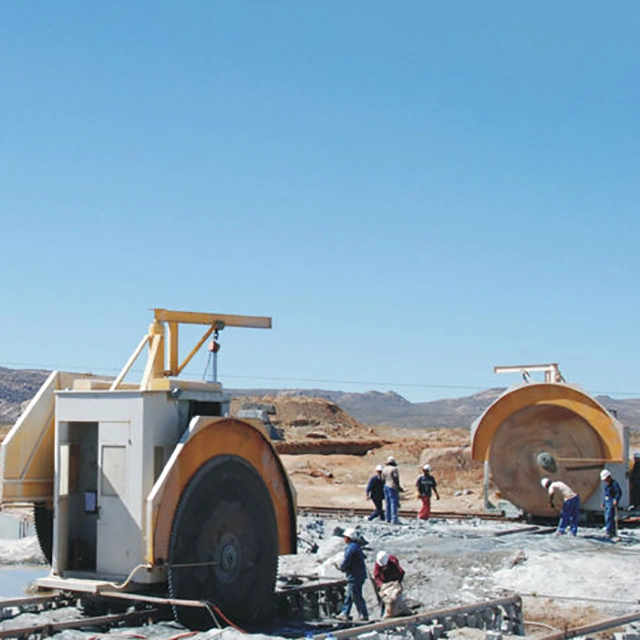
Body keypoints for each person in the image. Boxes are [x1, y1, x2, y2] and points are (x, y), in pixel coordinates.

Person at [336, 528, 369, 621]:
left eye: (345, 537)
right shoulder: (356, 546)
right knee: (350, 595)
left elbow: (347, 561)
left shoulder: (351, 548)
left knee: (356, 595)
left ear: (349, 538)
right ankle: (345, 613)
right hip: (357, 575)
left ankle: (363, 614)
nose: (344, 539)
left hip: (355, 576)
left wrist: (341, 567)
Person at [373, 551, 411, 618]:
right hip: (385, 583)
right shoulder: (378, 564)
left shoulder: (393, 561)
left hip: (393, 581)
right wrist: (381, 585)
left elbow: (401, 572)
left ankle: (401, 611)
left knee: (397, 598)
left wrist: (397, 583)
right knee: (385, 600)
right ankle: (384, 615)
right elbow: (376, 576)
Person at [600, 469, 623, 539]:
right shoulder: (606, 485)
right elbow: (606, 495)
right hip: (607, 503)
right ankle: (610, 531)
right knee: (607, 518)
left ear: (608, 477)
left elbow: (619, 492)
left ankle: (610, 532)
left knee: (609, 517)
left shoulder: (614, 484)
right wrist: (603, 502)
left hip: (611, 503)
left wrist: (616, 500)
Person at [382, 456, 402, 524]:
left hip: (386, 486)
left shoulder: (384, 469)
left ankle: (388, 519)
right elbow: (395, 478)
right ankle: (394, 519)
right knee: (393, 502)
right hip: (392, 486)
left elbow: (383, 479)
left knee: (387, 503)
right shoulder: (394, 469)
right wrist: (398, 486)